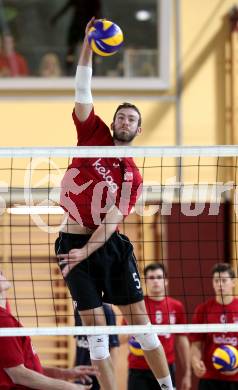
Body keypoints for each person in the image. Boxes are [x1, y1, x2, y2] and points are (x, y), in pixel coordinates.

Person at [55, 17, 174, 390]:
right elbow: (82, 87)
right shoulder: (93, 133)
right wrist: (89, 45)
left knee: (141, 323)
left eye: (132, 119)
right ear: (114, 122)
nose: (124, 120)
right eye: (121, 115)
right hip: (72, 242)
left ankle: (168, 388)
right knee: (96, 334)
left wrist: (87, 252)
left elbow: (110, 222)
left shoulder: (133, 177)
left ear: (138, 130)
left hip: (109, 247)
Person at [0, 269, 99, 389]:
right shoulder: (3, 320)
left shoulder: (6, 316)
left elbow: (28, 369)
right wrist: (71, 387)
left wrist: (64, 373)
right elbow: (19, 375)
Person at [122, 262, 191, 390]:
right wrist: (134, 336)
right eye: (151, 278)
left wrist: (187, 373)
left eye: (159, 277)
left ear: (166, 281)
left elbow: (182, 340)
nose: (155, 281)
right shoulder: (137, 306)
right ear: (145, 282)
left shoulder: (176, 306)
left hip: (166, 366)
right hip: (138, 369)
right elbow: (121, 337)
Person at [190, 262, 238, 390]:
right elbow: (196, 344)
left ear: (233, 282)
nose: (220, 284)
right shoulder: (203, 309)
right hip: (210, 378)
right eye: (216, 281)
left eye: (224, 280)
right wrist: (195, 362)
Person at [74, 303, 119, 389]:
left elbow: (114, 347)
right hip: (81, 373)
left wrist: (109, 378)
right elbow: (78, 342)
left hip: (99, 375)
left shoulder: (107, 311)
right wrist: (74, 368)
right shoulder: (77, 310)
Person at [50, 0, 101, 74]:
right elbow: (66, 8)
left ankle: (93, 71)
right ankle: (69, 70)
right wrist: (55, 18)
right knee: (72, 50)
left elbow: (98, 12)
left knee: (89, 49)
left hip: (84, 26)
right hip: (78, 26)